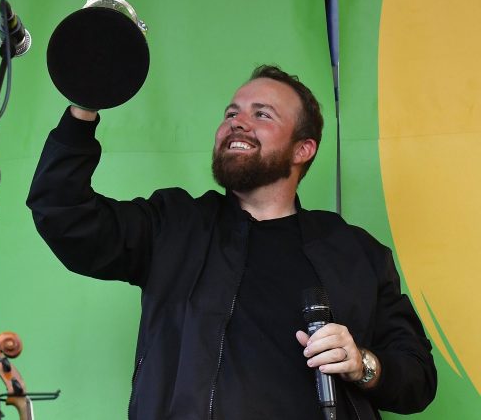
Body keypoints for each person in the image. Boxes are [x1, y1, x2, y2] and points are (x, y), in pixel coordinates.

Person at [26, 65, 436, 419]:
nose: (238, 122)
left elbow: (418, 377)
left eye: (262, 114)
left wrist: (362, 363)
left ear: (303, 149)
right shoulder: (174, 225)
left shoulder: (356, 252)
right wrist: (84, 106)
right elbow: (64, 214)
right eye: (231, 113)